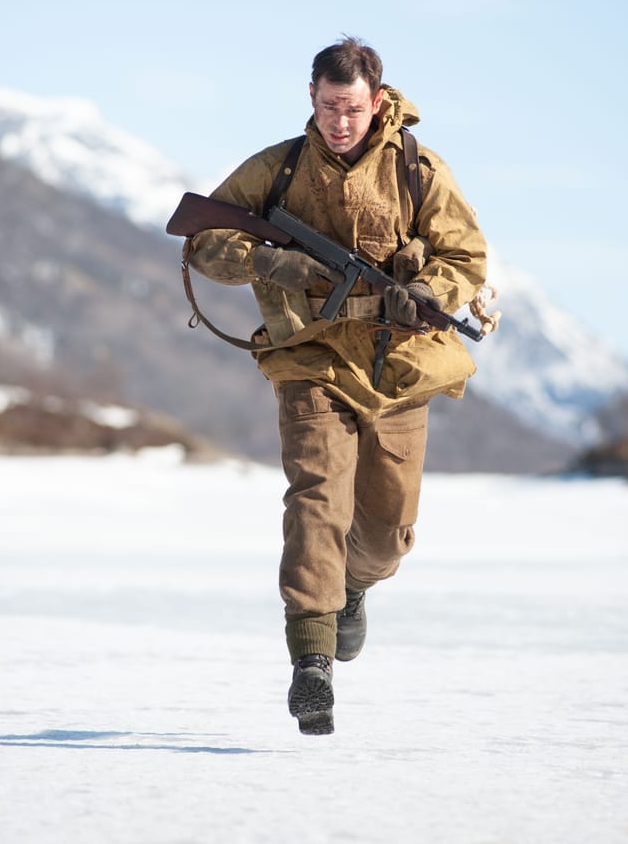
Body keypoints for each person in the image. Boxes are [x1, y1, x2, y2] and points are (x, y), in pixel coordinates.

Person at [188, 37, 488, 735]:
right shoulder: (278, 169)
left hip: (397, 367)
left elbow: (465, 256)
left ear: (376, 102)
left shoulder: (418, 169)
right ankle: (311, 662)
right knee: (317, 500)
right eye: (328, 106)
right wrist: (269, 262)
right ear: (312, 97)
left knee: (384, 537)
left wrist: (425, 291)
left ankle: (352, 588)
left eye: (352, 109)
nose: (339, 122)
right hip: (309, 358)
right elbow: (202, 239)